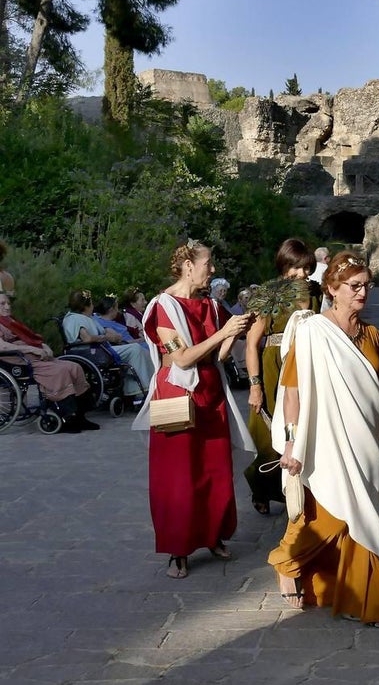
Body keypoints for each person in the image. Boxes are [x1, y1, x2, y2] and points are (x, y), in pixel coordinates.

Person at [268, 251, 379, 629]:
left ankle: (343, 592)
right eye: (354, 286)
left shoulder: (372, 335)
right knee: (338, 519)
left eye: (367, 285)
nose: (363, 292)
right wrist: (291, 443)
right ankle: (363, 597)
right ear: (332, 289)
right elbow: (293, 391)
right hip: (326, 444)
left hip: (367, 445)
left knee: (356, 517)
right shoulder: (312, 332)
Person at [131, 240, 255, 579]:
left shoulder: (211, 306)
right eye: (207, 263)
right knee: (178, 476)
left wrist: (240, 328)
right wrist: (223, 333)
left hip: (211, 393)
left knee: (215, 469)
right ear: (188, 266)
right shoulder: (163, 307)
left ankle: (213, 535)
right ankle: (179, 550)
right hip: (175, 393)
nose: (212, 270)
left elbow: (221, 354)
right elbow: (182, 358)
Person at [244, 239, 323, 516]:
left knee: (301, 427)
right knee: (267, 436)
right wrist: (255, 386)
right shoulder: (268, 294)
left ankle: (298, 488)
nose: (302, 274)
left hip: (304, 363)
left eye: (307, 268)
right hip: (273, 366)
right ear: (283, 265)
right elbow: (251, 344)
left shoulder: (315, 292)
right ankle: (261, 487)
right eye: (296, 267)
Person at [0, 292, 98, 433]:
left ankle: (80, 416)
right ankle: (66, 418)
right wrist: (32, 349)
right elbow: (2, 347)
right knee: (60, 372)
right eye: (2, 304)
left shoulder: (11, 322)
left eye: (8, 303)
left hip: (33, 357)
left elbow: (31, 338)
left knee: (74, 367)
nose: (7, 307)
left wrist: (44, 347)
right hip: (19, 361)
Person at [62, 290, 155, 400]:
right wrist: (106, 337)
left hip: (99, 349)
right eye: (91, 303)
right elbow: (87, 338)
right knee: (135, 349)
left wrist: (110, 334)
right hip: (93, 352)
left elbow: (101, 330)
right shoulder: (75, 319)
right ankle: (138, 390)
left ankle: (145, 385)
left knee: (139, 349)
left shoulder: (85, 317)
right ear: (86, 306)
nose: (93, 306)